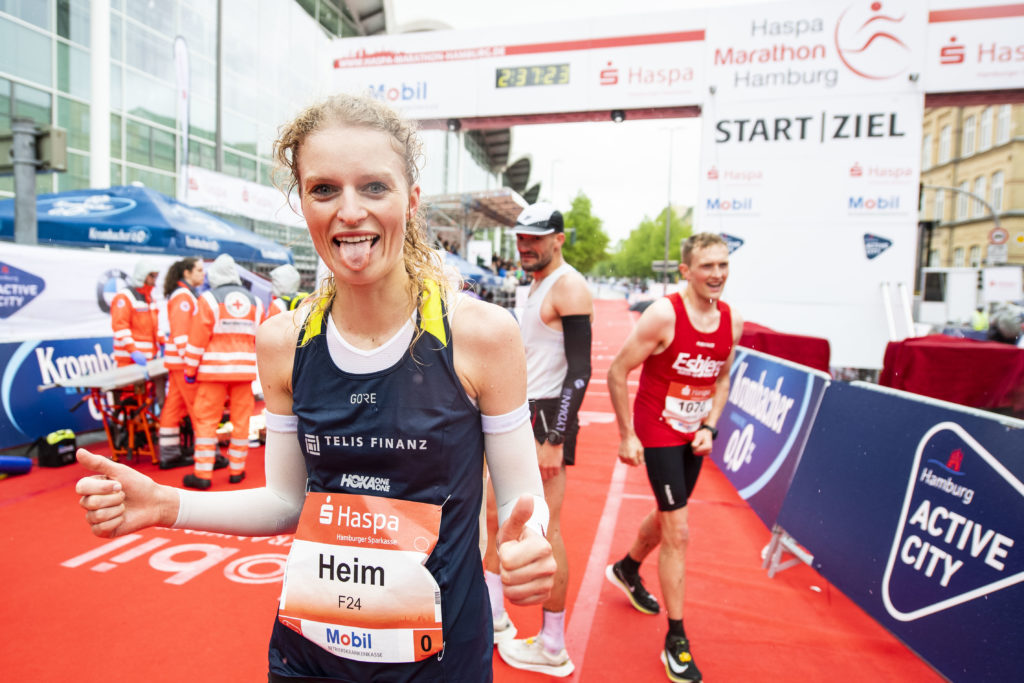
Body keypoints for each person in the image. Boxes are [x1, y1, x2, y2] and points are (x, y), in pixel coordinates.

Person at [74, 92, 555, 682]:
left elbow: (518, 499)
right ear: (302, 202)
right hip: (309, 657)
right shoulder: (283, 341)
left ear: (412, 199)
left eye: (374, 187)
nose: (349, 211)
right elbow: (286, 501)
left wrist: (526, 542)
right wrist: (167, 504)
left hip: (439, 662)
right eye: (324, 189)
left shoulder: (481, 334)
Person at [604, 233, 743, 683]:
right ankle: (676, 640)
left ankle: (627, 567)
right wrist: (627, 436)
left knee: (669, 515)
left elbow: (721, 378)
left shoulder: (731, 320)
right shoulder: (664, 314)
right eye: (707, 266)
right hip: (657, 427)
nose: (717, 274)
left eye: (723, 265)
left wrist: (710, 426)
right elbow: (618, 370)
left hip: (692, 433)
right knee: (679, 529)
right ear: (686, 271)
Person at [494, 202, 593, 677]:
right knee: (494, 516)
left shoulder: (568, 285)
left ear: (559, 239)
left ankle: (553, 644)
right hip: (522, 413)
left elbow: (580, 370)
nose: (525, 246)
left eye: (535, 238)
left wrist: (555, 437)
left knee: (545, 533)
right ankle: (494, 618)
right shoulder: (534, 283)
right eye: (520, 237)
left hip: (547, 418)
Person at [179, 253, 263, 489]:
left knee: (206, 421)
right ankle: (237, 470)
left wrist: (190, 369)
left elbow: (197, 340)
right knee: (242, 420)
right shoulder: (255, 302)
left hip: (213, 372)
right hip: (244, 373)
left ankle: (203, 474)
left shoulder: (208, 299)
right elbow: (260, 338)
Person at [156, 257, 205, 470]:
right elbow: (182, 334)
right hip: (183, 362)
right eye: (200, 270)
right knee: (198, 409)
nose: (203, 274)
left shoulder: (182, 295)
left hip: (177, 362)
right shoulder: (183, 297)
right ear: (187, 272)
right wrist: (191, 364)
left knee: (173, 407)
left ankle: (169, 453)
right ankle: (207, 454)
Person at [110, 258, 161, 368]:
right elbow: (120, 328)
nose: (154, 280)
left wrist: (163, 341)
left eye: (156, 276)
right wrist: (133, 350)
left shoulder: (149, 299)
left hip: (149, 359)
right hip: (128, 360)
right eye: (152, 276)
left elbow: (154, 328)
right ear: (142, 275)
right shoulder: (125, 297)